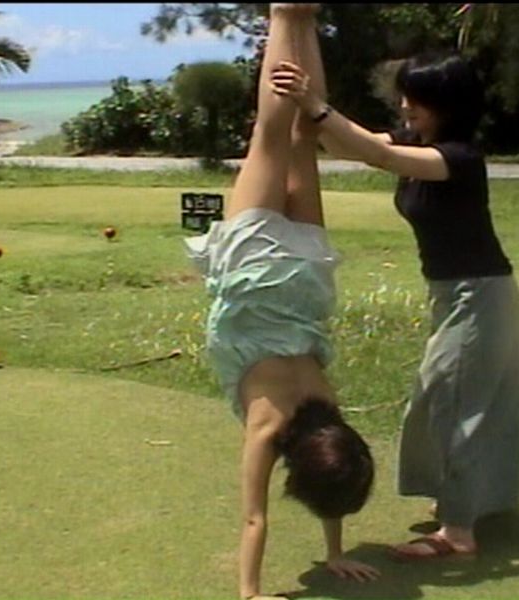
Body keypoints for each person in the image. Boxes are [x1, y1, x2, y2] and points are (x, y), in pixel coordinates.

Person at [272, 43, 519, 561]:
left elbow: (380, 156)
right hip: (453, 294)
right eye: (405, 96)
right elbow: (351, 146)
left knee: (456, 402)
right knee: (439, 398)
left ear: (449, 103)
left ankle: (458, 533)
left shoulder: (458, 158)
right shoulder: (417, 140)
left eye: (417, 98)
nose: (405, 106)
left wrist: (315, 104)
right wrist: (306, 109)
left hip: (480, 293)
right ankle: (462, 501)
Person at [184, 4, 380, 598]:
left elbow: (335, 470)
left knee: (301, 134)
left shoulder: (330, 410)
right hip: (253, 270)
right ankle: (281, 12)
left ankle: (303, 17)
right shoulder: (268, 430)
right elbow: (254, 519)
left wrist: (337, 552)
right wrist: (249, 595)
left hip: (306, 276)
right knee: (270, 134)